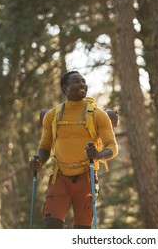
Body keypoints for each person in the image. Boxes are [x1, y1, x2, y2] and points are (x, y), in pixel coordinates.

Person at [28, 70, 118, 229]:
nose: (82, 84)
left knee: (82, 231)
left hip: (86, 178)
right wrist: (39, 160)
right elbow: (44, 146)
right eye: (76, 82)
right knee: (51, 226)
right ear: (65, 88)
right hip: (59, 178)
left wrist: (98, 155)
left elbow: (112, 147)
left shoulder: (98, 115)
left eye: (83, 81)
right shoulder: (52, 116)